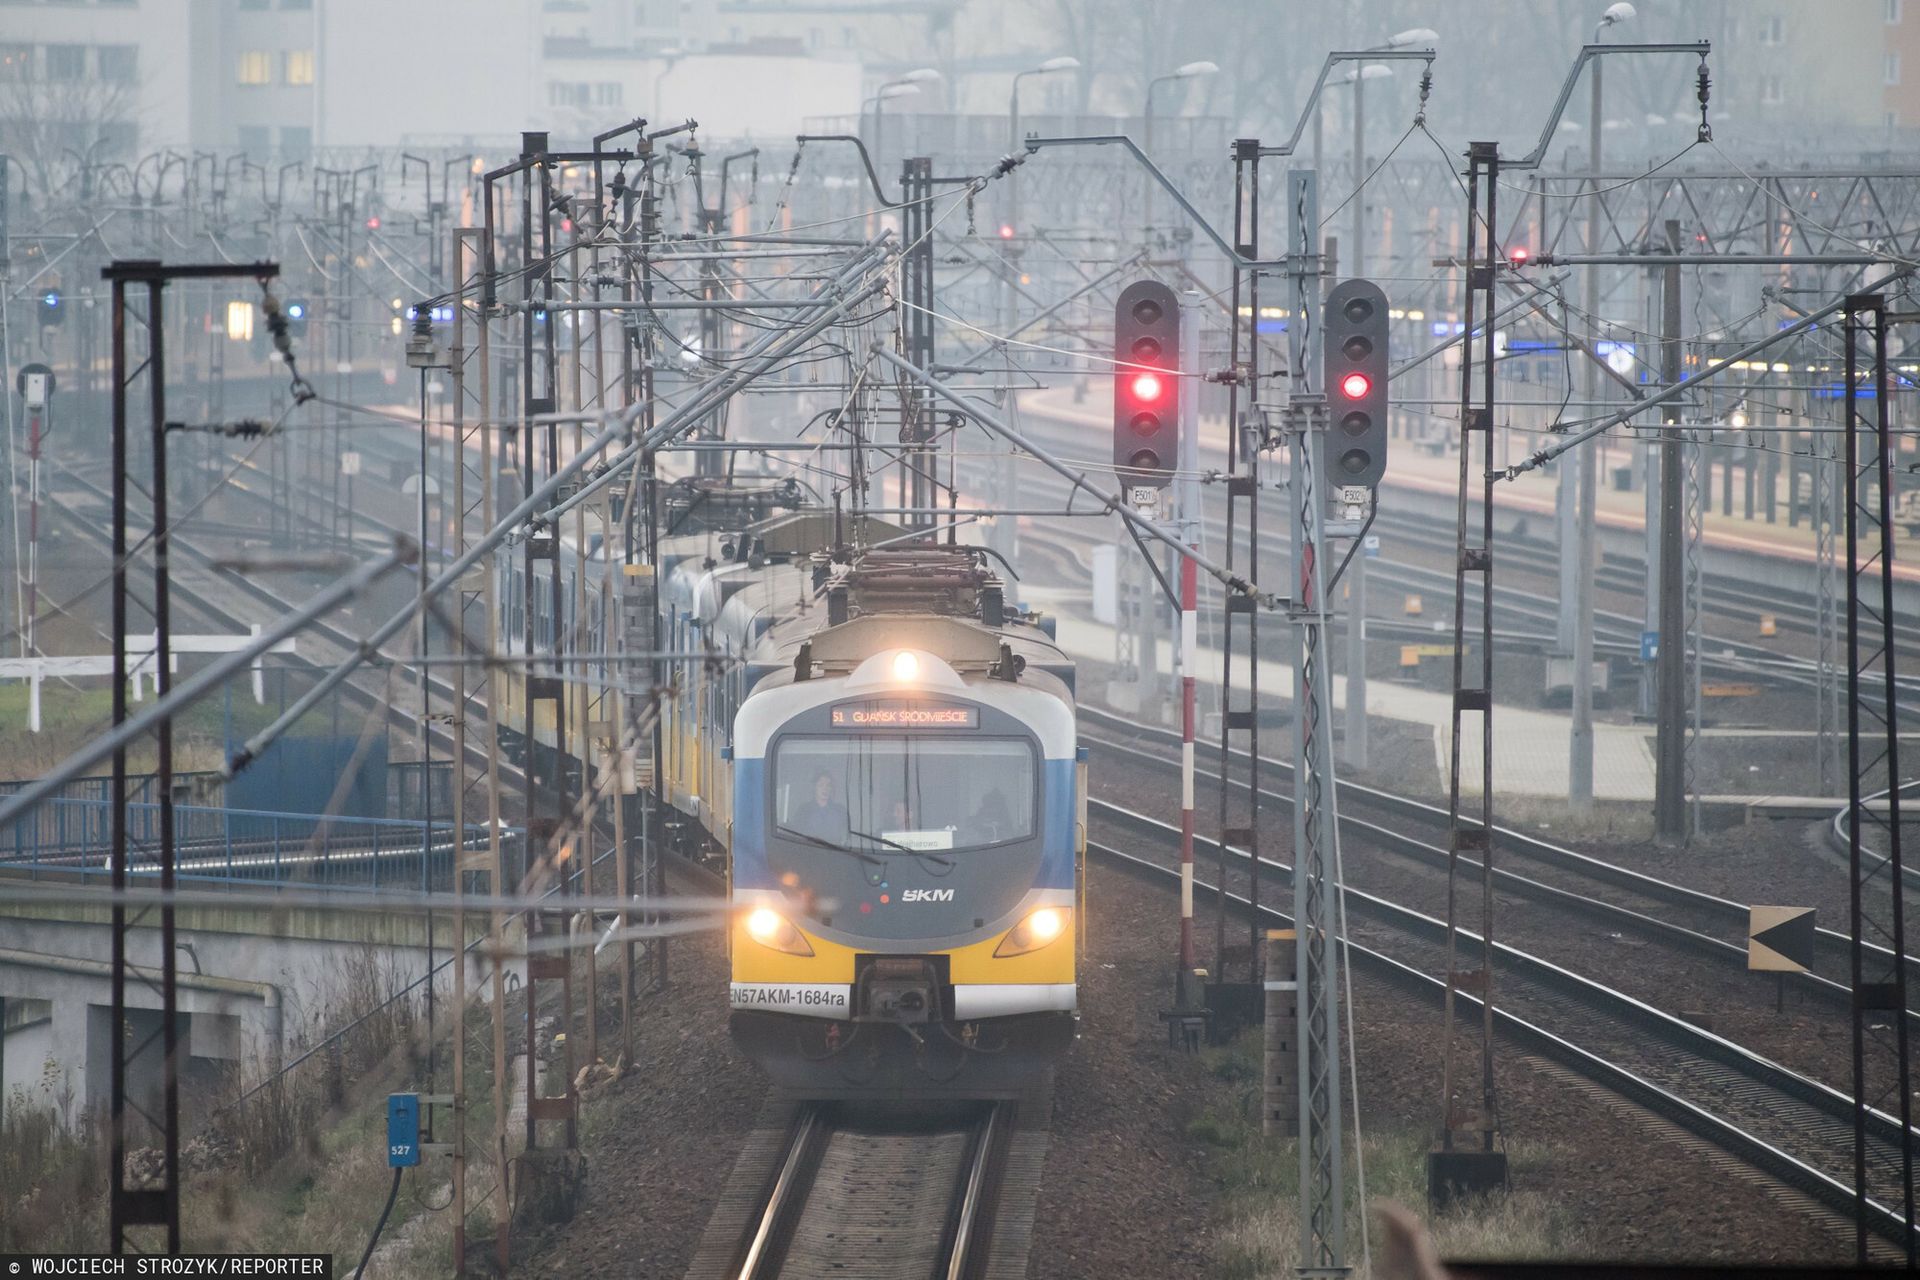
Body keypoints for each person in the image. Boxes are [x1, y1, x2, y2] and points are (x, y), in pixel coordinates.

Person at [792, 770, 849, 840]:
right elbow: (797, 835)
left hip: (834, 849)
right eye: (821, 785)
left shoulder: (840, 811)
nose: (825, 789)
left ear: (831, 788)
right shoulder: (804, 810)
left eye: (828, 785)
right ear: (814, 787)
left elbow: (845, 836)